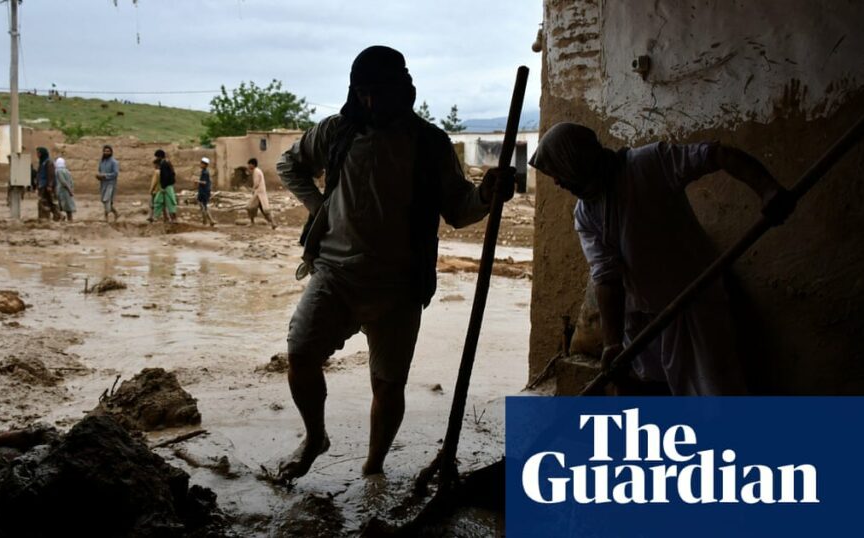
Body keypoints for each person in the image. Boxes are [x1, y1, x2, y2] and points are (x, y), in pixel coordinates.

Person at [274, 45, 514, 482]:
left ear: (404, 91)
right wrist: (318, 207)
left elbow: (458, 210)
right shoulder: (335, 133)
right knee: (300, 354)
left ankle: (374, 469)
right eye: (362, 93)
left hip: (400, 285)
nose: (370, 102)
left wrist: (485, 194)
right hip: (335, 275)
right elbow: (289, 164)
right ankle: (315, 438)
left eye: (379, 92)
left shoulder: (429, 143)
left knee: (388, 386)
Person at [530, 122, 795, 396]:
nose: (557, 182)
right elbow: (606, 277)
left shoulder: (649, 163)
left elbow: (717, 155)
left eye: (558, 172)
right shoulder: (586, 213)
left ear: (575, 160)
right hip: (643, 320)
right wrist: (612, 344)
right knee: (649, 393)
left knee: (715, 400)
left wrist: (768, 189)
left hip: (695, 305)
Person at [246, 158, 277, 229]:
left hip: (258, 194)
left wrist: (252, 190)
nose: (248, 166)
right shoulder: (258, 171)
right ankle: (273, 223)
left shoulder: (256, 171)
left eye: (249, 164)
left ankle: (252, 222)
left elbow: (256, 183)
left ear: (252, 164)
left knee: (249, 207)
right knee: (264, 210)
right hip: (260, 194)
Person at [34, 147, 61, 221]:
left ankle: (58, 216)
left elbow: (51, 174)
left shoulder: (48, 162)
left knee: (51, 202)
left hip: (47, 186)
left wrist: (49, 185)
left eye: (38, 153)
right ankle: (44, 218)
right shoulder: (42, 162)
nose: (37, 155)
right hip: (42, 186)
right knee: (44, 202)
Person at [151, 149, 178, 223]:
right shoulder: (167, 162)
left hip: (165, 187)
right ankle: (157, 217)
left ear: (159, 156)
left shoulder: (163, 164)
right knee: (160, 201)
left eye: (156, 157)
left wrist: (163, 187)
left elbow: (165, 177)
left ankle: (172, 218)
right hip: (167, 186)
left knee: (168, 201)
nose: (156, 159)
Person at [96, 145, 120, 222]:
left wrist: (105, 176)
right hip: (103, 184)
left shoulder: (114, 162)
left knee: (107, 200)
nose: (106, 153)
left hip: (111, 184)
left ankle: (106, 217)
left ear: (111, 152)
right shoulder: (101, 161)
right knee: (104, 201)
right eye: (105, 151)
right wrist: (99, 176)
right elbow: (100, 171)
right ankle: (116, 213)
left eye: (108, 151)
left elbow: (115, 174)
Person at [54, 157, 76, 221]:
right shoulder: (67, 171)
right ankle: (70, 219)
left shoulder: (58, 171)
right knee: (68, 207)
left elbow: (63, 182)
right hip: (68, 191)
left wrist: (69, 190)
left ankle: (60, 217)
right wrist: (71, 190)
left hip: (62, 190)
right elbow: (71, 181)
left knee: (59, 205)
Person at [196, 157, 215, 227]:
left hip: (204, 191)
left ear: (205, 165)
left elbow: (204, 182)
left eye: (202, 163)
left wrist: (197, 181)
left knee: (202, 206)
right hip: (205, 191)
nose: (200, 164)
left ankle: (205, 221)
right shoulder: (205, 172)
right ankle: (210, 220)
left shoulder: (205, 172)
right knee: (204, 206)